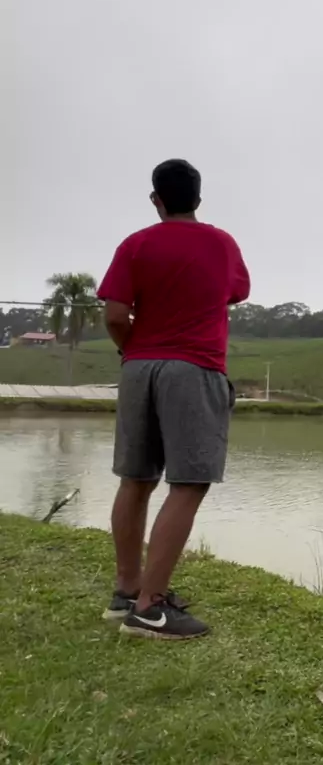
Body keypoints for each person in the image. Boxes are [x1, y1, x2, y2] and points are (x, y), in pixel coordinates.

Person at [97, 159, 250, 640]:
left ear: (156, 200)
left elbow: (115, 315)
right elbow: (235, 292)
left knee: (135, 478)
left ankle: (127, 593)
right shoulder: (221, 244)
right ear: (198, 199)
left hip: (137, 369)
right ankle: (152, 608)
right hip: (195, 368)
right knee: (189, 482)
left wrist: (134, 351)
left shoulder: (135, 244)